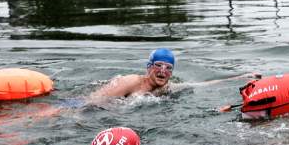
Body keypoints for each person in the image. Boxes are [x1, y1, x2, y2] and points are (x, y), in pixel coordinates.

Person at [88, 48, 254, 103]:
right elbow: (94, 100)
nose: (162, 71)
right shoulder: (130, 81)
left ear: (172, 73)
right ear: (148, 68)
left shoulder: (168, 88)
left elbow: (204, 85)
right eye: (158, 66)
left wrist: (241, 78)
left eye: (168, 68)